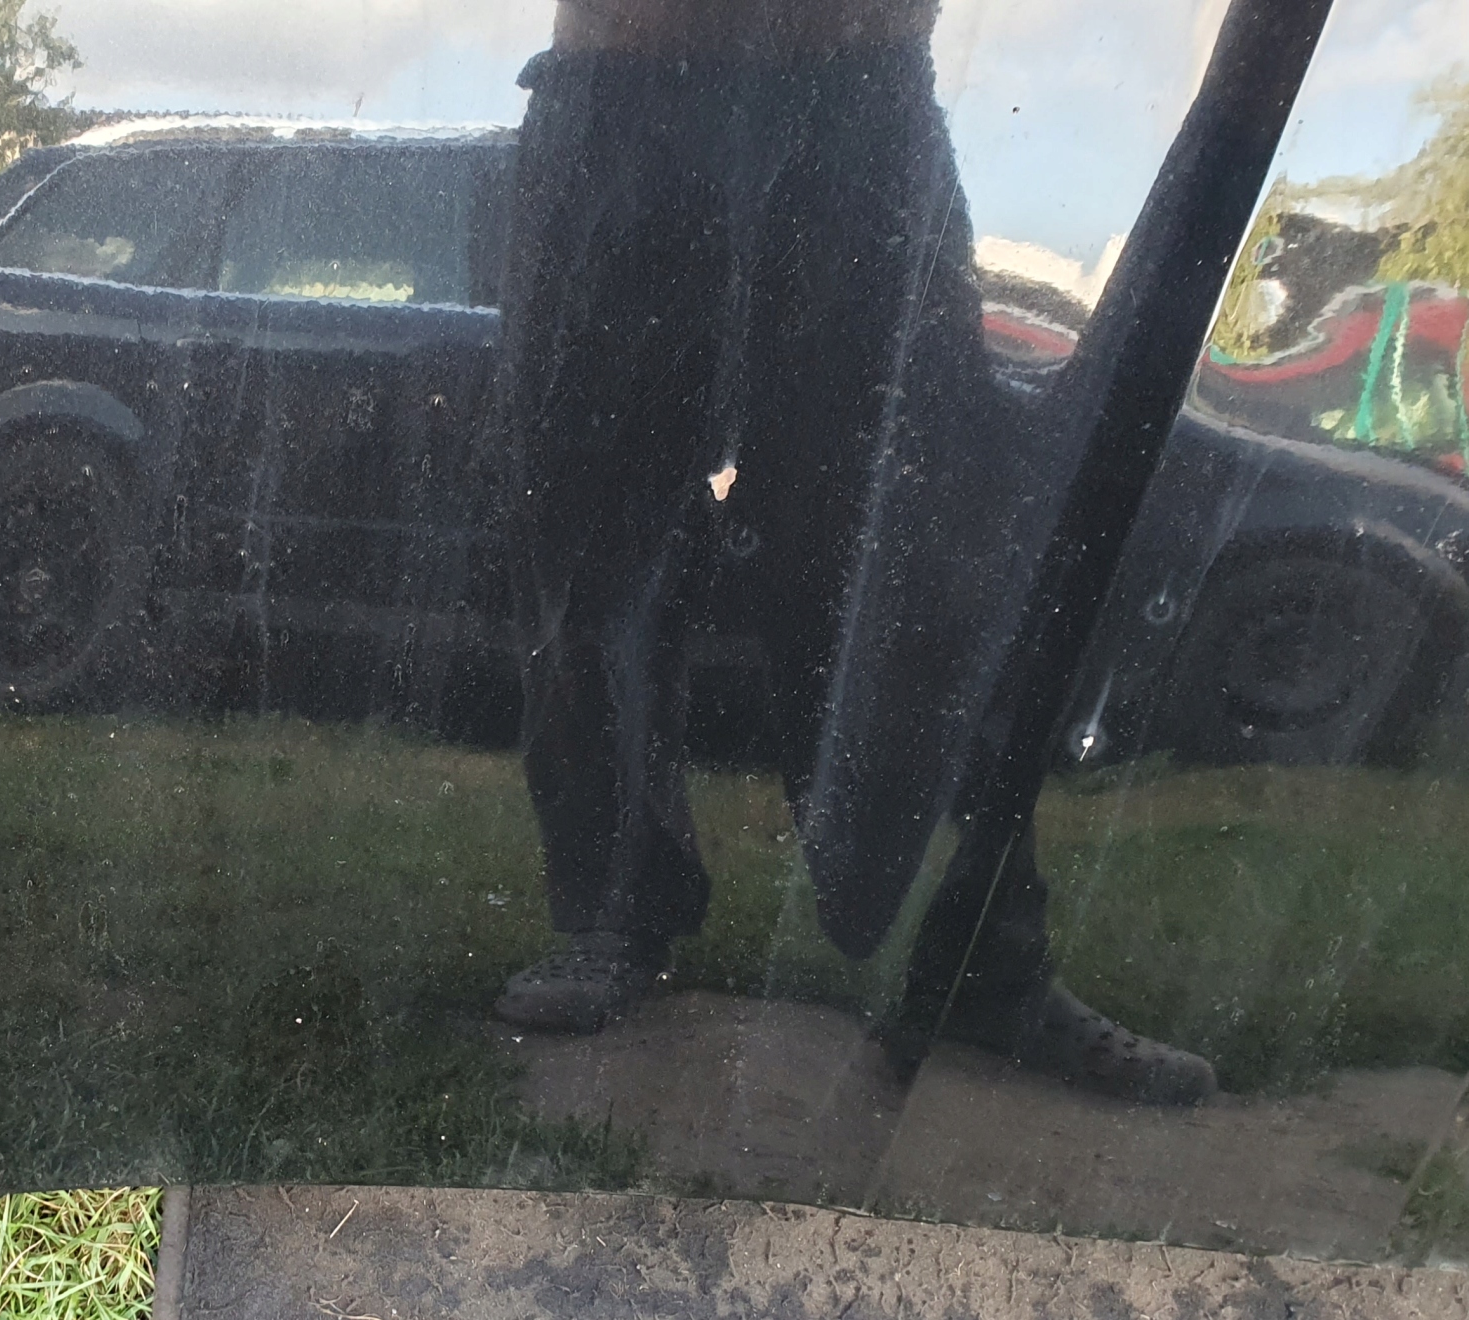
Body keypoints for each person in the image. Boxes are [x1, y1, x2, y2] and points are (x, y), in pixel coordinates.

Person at [487, 0, 1218, 1105]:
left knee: (906, 557)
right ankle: (612, 915)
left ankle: (977, 959)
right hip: (626, 86)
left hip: (853, 90)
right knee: (590, 543)